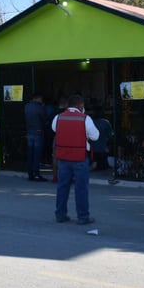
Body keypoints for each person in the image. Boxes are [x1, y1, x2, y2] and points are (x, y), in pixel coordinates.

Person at [53, 94, 99, 225]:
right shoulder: (85, 119)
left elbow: (53, 129)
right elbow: (95, 136)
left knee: (62, 187)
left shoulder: (58, 117)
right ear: (80, 105)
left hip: (63, 158)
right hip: (79, 158)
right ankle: (83, 217)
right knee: (81, 188)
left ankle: (60, 215)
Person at [24, 93, 48, 181]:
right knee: (37, 154)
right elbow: (45, 119)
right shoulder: (40, 107)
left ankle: (30, 173)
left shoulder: (27, 106)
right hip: (38, 132)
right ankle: (36, 174)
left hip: (29, 131)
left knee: (30, 153)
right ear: (39, 98)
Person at [91, 107, 113, 172]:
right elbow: (110, 136)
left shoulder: (91, 122)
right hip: (102, 148)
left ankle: (96, 165)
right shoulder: (105, 122)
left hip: (94, 148)